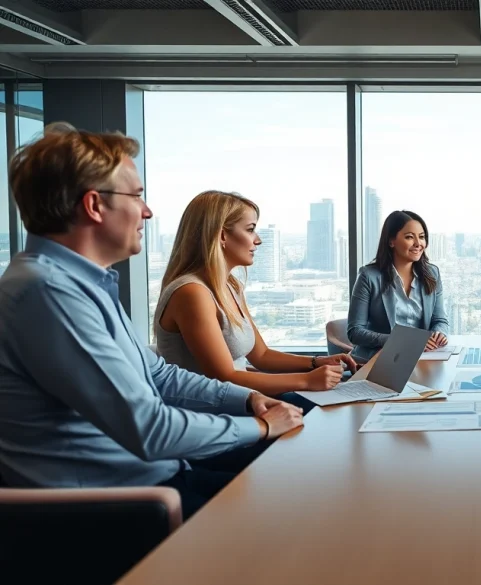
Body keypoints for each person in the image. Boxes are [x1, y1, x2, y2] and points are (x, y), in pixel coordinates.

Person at [0, 123, 303, 520]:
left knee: (306, 487)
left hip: (159, 477)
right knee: (301, 510)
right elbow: (149, 428)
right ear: (94, 206)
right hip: (115, 508)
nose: (147, 211)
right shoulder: (48, 293)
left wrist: (246, 400)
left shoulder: (82, 282)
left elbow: (158, 375)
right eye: (137, 196)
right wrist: (262, 428)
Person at [155, 191, 358, 410]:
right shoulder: (192, 293)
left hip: (242, 402)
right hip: (214, 414)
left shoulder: (229, 287)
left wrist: (315, 363)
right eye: (250, 229)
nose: (258, 240)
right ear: (222, 236)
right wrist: (308, 381)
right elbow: (225, 377)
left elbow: (261, 355)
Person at [348, 210, 448, 361]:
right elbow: (355, 332)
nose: (418, 244)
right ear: (391, 241)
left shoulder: (432, 274)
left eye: (421, 237)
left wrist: (438, 334)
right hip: (378, 359)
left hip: (421, 359)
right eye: (409, 237)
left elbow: (440, 320)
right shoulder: (368, 277)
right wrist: (402, 342)